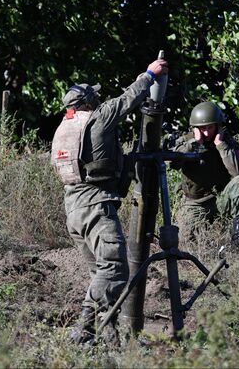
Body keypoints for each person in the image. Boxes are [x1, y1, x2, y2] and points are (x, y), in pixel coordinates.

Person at [55, 58, 168, 345]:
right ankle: (84, 330)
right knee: (115, 269)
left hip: (73, 209)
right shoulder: (98, 117)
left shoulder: (65, 129)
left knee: (100, 273)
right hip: (95, 206)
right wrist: (149, 75)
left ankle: (110, 338)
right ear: (89, 101)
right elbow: (128, 99)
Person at [169, 101, 239, 249]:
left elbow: (237, 171)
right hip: (195, 204)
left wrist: (221, 145)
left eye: (210, 127)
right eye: (202, 128)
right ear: (195, 128)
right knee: (187, 244)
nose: (207, 132)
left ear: (218, 125)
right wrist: (194, 143)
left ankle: (238, 235)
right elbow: (173, 162)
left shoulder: (226, 141)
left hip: (221, 199)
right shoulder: (186, 141)